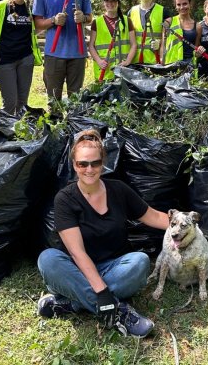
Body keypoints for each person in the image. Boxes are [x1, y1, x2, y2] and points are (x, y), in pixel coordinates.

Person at [37, 129, 169, 338]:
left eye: (95, 163)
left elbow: (154, 217)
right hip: (76, 268)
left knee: (140, 262)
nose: (89, 169)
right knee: (48, 259)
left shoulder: (118, 190)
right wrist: (102, 293)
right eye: (83, 164)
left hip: (113, 268)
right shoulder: (65, 199)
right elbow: (77, 252)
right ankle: (119, 313)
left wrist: (190, 225)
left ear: (103, 163)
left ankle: (73, 303)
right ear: (74, 165)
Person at [32, 0, 92, 101]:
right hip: (53, 54)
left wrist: (83, 18)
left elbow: (90, 17)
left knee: (75, 100)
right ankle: (54, 124)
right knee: (54, 101)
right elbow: (37, 24)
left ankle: (73, 124)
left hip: (77, 54)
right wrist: (53, 20)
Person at [0, 0, 43, 115]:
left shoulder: (29, 9)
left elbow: (32, 32)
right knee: (10, 102)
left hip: (25, 59)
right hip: (5, 60)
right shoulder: (0, 7)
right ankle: (3, 133)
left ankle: (18, 133)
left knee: (22, 102)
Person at [88, 0, 136, 82]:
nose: (110, 3)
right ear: (104, 3)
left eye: (113, 1)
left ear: (118, 3)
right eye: (107, 1)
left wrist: (127, 61)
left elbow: (133, 44)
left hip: (123, 70)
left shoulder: (127, 20)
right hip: (104, 71)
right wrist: (99, 61)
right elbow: (91, 46)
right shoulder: (97, 22)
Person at [128, 0, 171, 65]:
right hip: (135, 63)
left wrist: (160, 43)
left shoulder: (163, 11)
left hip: (155, 62)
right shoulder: (131, 12)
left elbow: (169, 37)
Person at [163, 0, 199, 66]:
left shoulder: (197, 26)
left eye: (185, 4)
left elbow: (196, 51)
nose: (182, 7)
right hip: (171, 66)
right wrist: (162, 63)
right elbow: (163, 46)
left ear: (190, 4)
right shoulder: (168, 22)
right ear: (175, 6)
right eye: (178, 4)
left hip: (189, 67)